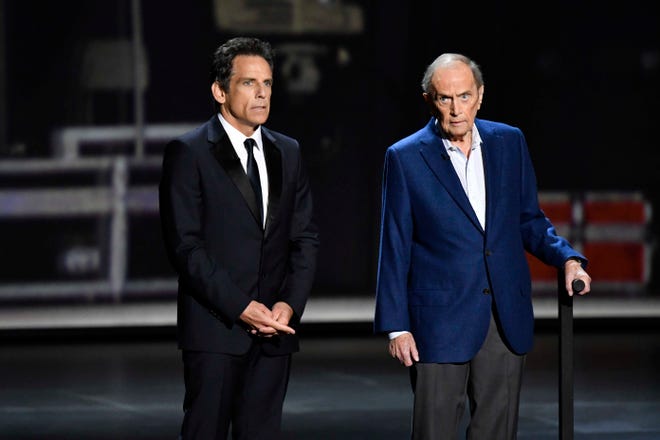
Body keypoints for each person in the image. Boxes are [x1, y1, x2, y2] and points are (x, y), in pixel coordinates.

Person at [373, 52, 592, 440]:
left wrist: (568, 258)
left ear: (480, 96)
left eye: (464, 96)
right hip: (437, 321)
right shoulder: (405, 157)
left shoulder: (509, 142)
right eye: (445, 98)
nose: (456, 109)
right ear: (429, 100)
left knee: (497, 431)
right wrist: (395, 327)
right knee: (434, 432)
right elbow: (395, 244)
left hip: (503, 316)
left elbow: (528, 219)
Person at [159, 36, 319, 440]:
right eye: (249, 83)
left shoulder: (288, 151)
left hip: (273, 334)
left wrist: (288, 305)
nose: (262, 93)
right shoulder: (189, 152)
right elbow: (186, 247)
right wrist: (241, 307)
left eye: (267, 83)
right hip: (216, 331)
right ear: (220, 90)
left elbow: (304, 237)